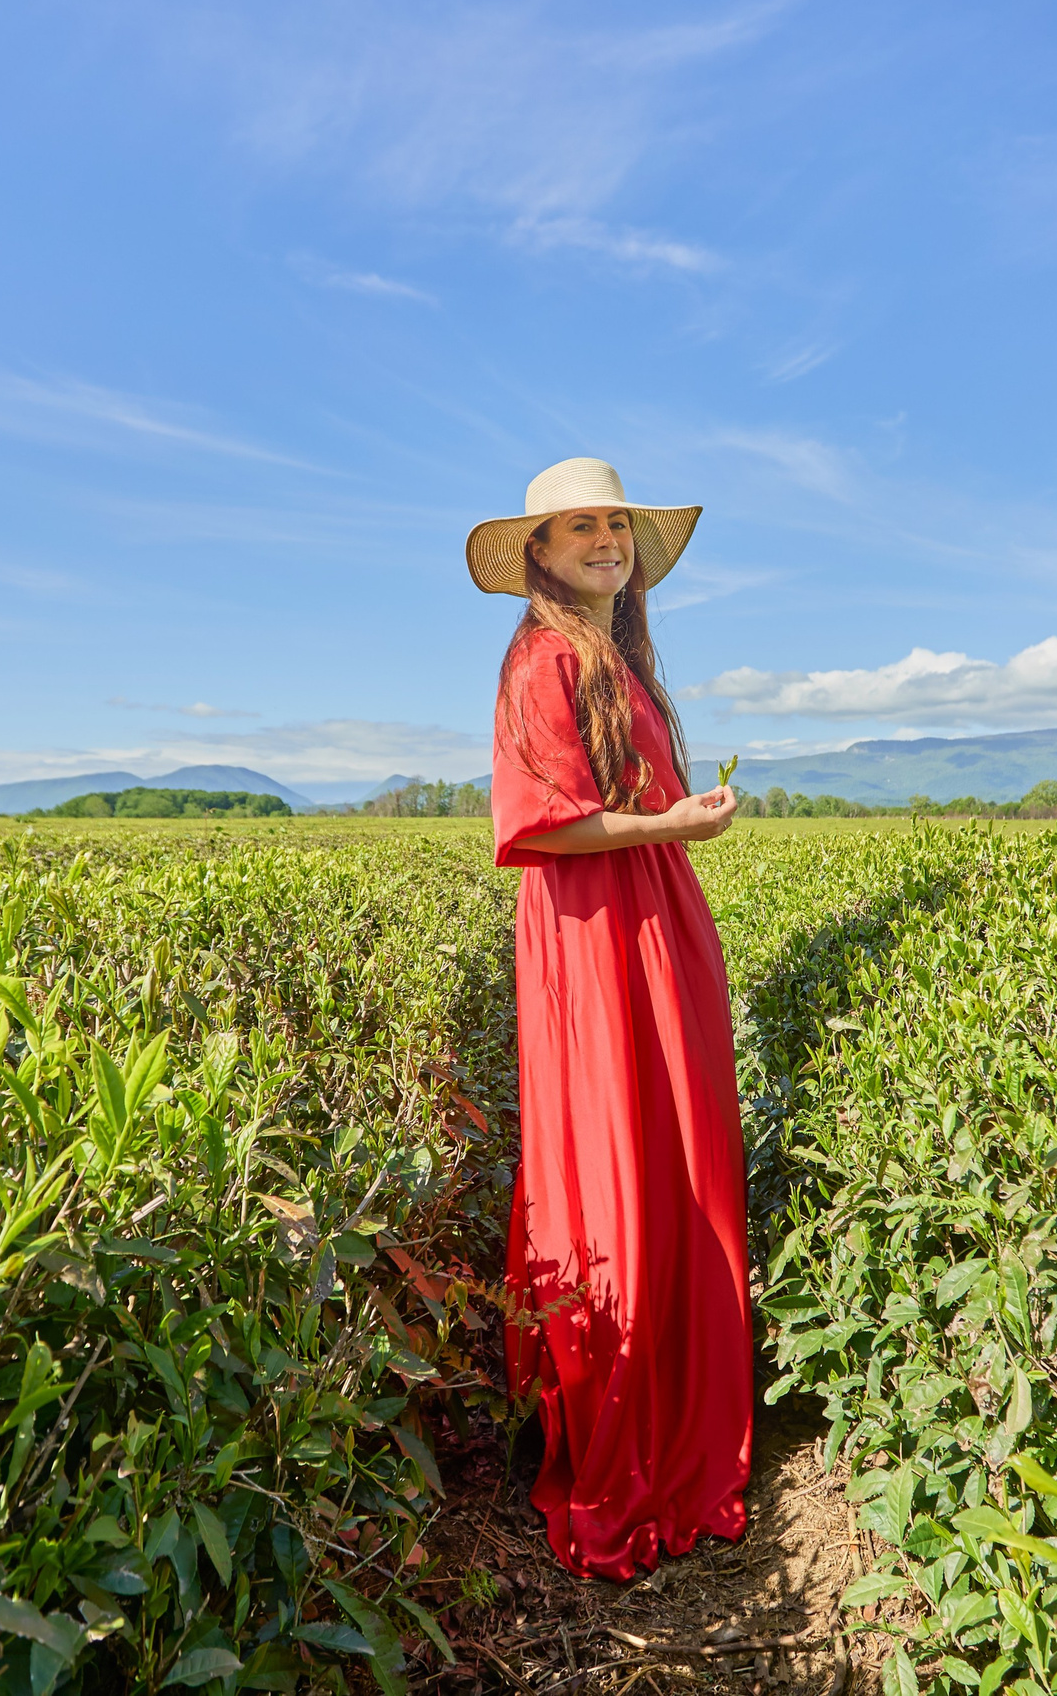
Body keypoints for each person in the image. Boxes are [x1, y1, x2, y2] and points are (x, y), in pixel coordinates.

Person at [466, 457, 753, 1582]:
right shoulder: (540, 659)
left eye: (615, 524)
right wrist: (666, 822)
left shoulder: (614, 657)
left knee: (676, 1151)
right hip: (594, 929)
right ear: (538, 551)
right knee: (617, 1162)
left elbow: (624, 807)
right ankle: (624, 1443)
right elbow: (543, 825)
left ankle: (679, 1410)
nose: (604, 539)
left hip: (652, 912)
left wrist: (676, 822)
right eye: (579, 526)